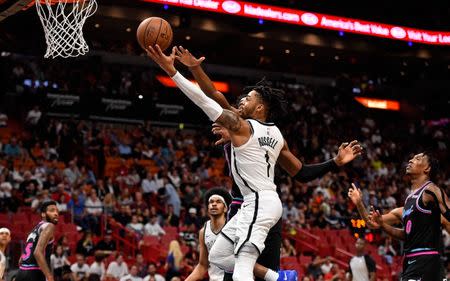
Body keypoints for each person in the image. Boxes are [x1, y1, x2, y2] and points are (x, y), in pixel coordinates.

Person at [172, 46, 363, 281]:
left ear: (260, 107)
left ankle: (276, 277)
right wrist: (195, 69)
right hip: (249, 205)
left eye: (248, 99)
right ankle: (278, 277)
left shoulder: (251, 129)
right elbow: (301, 173)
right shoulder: (260, 129)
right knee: (222, 258)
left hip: (260, 202)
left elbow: (213, 98)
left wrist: (334, 162)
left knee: (243, 265)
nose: (241, 101)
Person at [354, 152, 449, 280]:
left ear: (427, 169)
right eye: (412, 158)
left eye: (417, 158)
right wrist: (359, 204)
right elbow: (372, 223)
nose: (411, 160)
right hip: (412, 261)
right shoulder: (406, 206)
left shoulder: (430, 190)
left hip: (426, 260)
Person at [185, 188, 232, 281]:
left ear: (225, 208)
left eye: (218, 202)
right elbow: (203, 265)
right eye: (211, 202)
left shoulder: (233, 228)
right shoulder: (203, 231)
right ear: (207, 208)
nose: (214, 204)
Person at [15, 201, 59, 281]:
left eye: (57, 211)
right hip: (35, 272)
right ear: (43, 214)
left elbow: (21, 260)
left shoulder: (34, 230)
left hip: (21, 272)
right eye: (52, 210)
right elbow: (37, 252)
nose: (56, 213)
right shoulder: (49, 226)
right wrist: (49, 276)